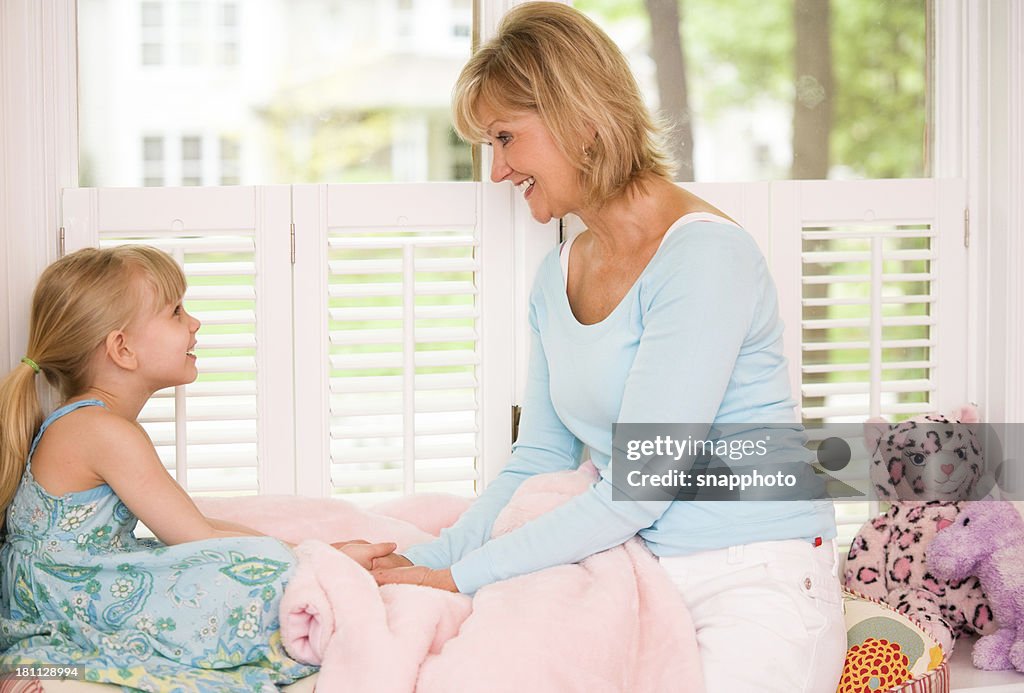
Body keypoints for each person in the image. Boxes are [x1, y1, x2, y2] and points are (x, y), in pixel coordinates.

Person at [371, 4, 846, 691]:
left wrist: (458, 576)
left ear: (579, 120)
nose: (498, 169)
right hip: (637, 572)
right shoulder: (555, 275)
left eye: (506, 138)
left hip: (754, 575)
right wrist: (424, 562)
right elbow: (538, 460)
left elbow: (637, 489)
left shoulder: (705, 257)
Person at [0, 246, 394, 691]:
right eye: (176, 312)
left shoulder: (91, 423)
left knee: (258, 555)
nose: (194, 323)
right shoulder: (101, 431)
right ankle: (47, 671)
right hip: (67, 602)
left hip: (64, 590)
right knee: (259, 571)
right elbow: (195, 538)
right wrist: (315, 559)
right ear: (122, 349)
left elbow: (195, 523)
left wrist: (311, 547)